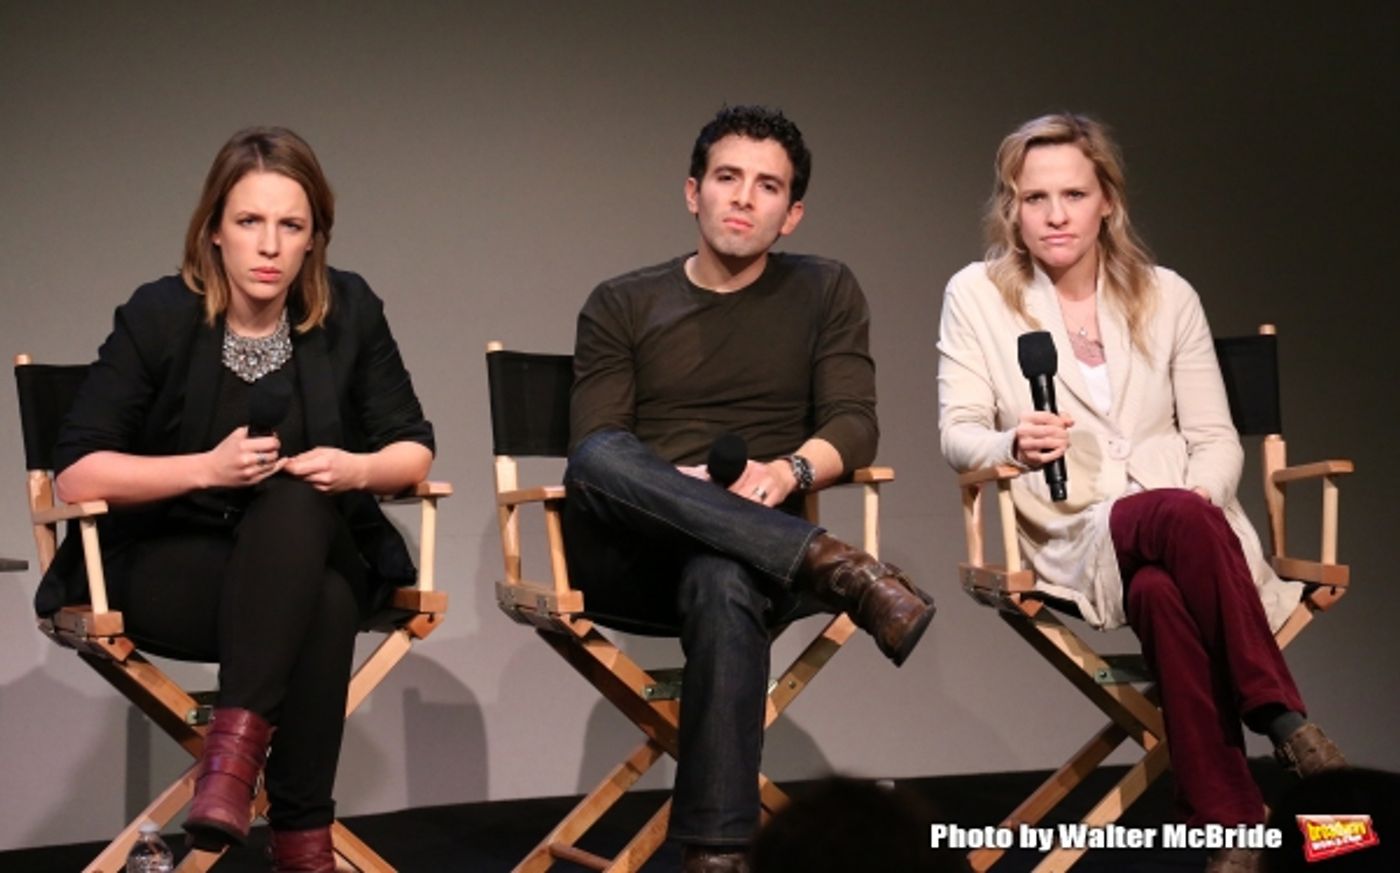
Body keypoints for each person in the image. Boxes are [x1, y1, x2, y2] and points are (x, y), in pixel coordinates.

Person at [936, 113, 1345, 872]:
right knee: (1166, 530)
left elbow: (1216, 438)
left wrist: (1195, 507)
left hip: (1190, 529)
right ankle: (1282, 716)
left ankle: (1228, 824)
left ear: (1107, 202)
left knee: (1161, 591)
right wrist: (1011, 442)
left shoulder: (1168, 295)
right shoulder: (978, 294)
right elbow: (958, 432)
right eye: (1034, 198)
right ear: (1012, 209)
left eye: (1073, 194)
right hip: (1072, 529)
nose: (1055, 215)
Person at [37, 127, 434, 872]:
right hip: (171, 564)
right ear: (214, 229)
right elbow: (78, 475)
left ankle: (230, 766)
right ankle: (303, 849)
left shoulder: (348, 309)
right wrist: (207, 468)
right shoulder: (159, 314)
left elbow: (412, 447)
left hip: (305, 544)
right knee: (324, 603)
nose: (269, 246)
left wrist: (353, 468)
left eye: (291, 225)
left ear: (315, 237)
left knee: (297, 501)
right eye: (249, 221)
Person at [564, 105, 937, 873]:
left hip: (755, 561)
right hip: (634, 556)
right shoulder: (621, 301)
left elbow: (854, 422)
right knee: (598, 456)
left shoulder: (826, 289)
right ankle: (840, 566)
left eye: (767, 186)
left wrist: (785, 471)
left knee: (722, 572)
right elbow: (596, 447)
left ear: (791, 213)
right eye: (727, 177)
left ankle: (717, 856)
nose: (742, 197)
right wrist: (675, 488)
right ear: (692, 192)